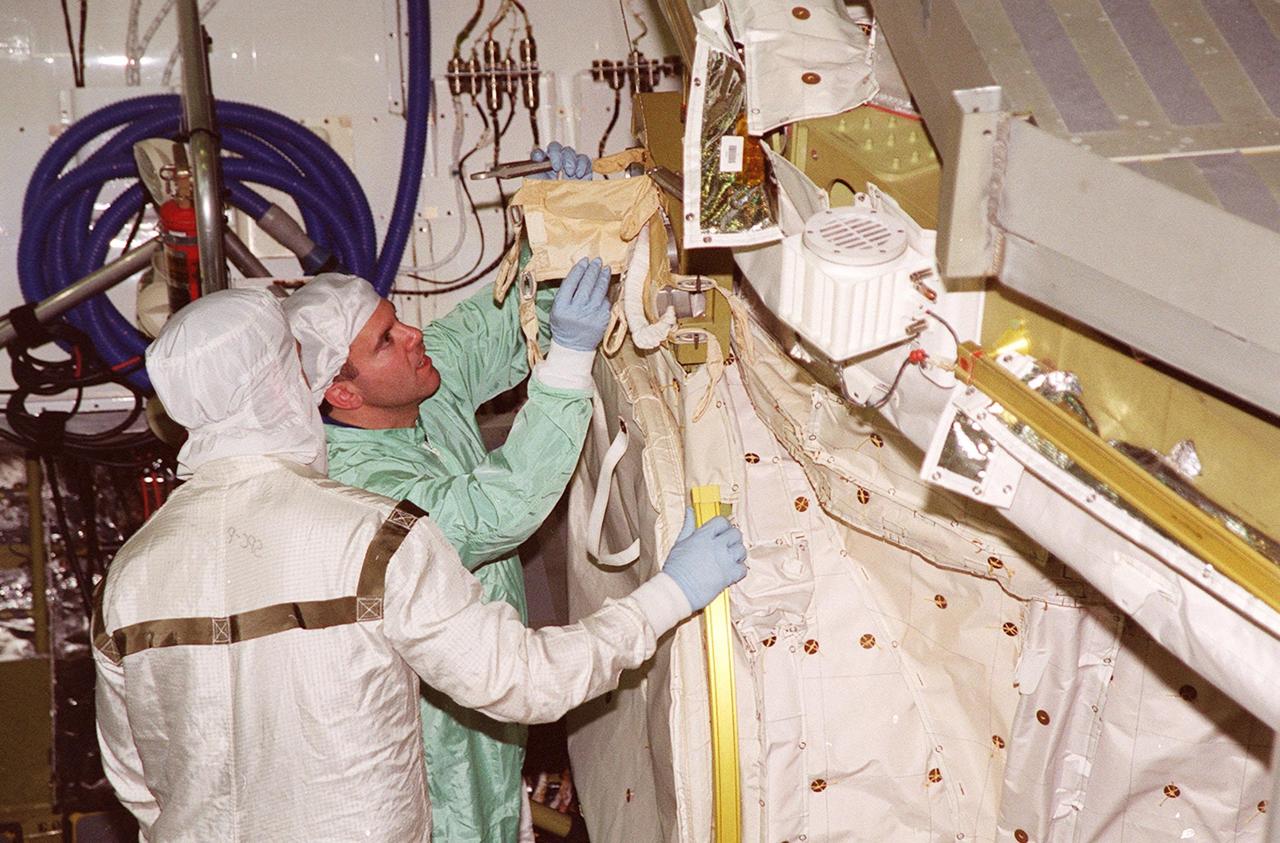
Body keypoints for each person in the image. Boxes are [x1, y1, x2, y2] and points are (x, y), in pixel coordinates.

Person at [92, 289, 747, 841]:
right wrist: (670, 593)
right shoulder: (372, 535)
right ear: (287, 380)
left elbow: (136, 783)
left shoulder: (130, 575)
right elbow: (525, 679)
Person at [283, 141, 613, 842]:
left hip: (496, 741)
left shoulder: (419, 391)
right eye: (385, 341)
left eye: (395, 317)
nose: (411, 334)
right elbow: (501, 507)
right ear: (341, 393)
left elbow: (496, 328)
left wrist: (557, 225)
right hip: (435, 774)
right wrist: (571, 359)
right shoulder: (360, 492)